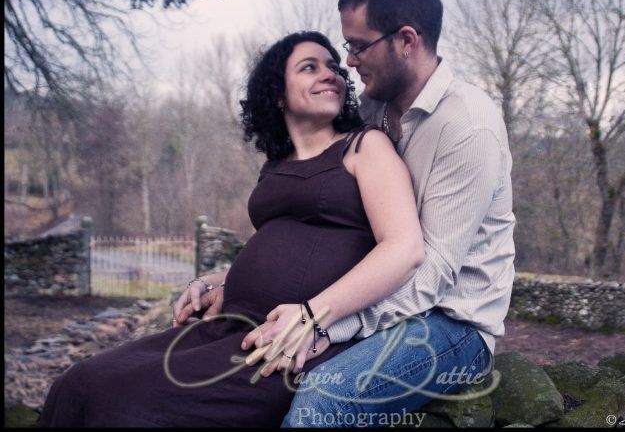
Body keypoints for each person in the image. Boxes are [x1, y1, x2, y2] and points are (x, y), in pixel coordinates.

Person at [37, 31, 425, 427]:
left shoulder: (364, 146)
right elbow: (277, 248)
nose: (331, 75)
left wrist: (310, 316)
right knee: (79, 384)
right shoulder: (275, 165)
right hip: (228, 327)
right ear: (277, 94)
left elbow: (404, 247)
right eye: (310, 67)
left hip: (286, 342)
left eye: (333, 67)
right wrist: (216, 280)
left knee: (130, 406)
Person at [270, 0, 516, 427]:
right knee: (263, 373)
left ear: (407, 40)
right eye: (348, 46)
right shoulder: (372, 108)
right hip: (382, 298)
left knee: (322, 398)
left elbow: (433, 274)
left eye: (359, 46)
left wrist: (323, 322)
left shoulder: (468, 126)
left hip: (452, 324)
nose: (348, 61)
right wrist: (230, 281)